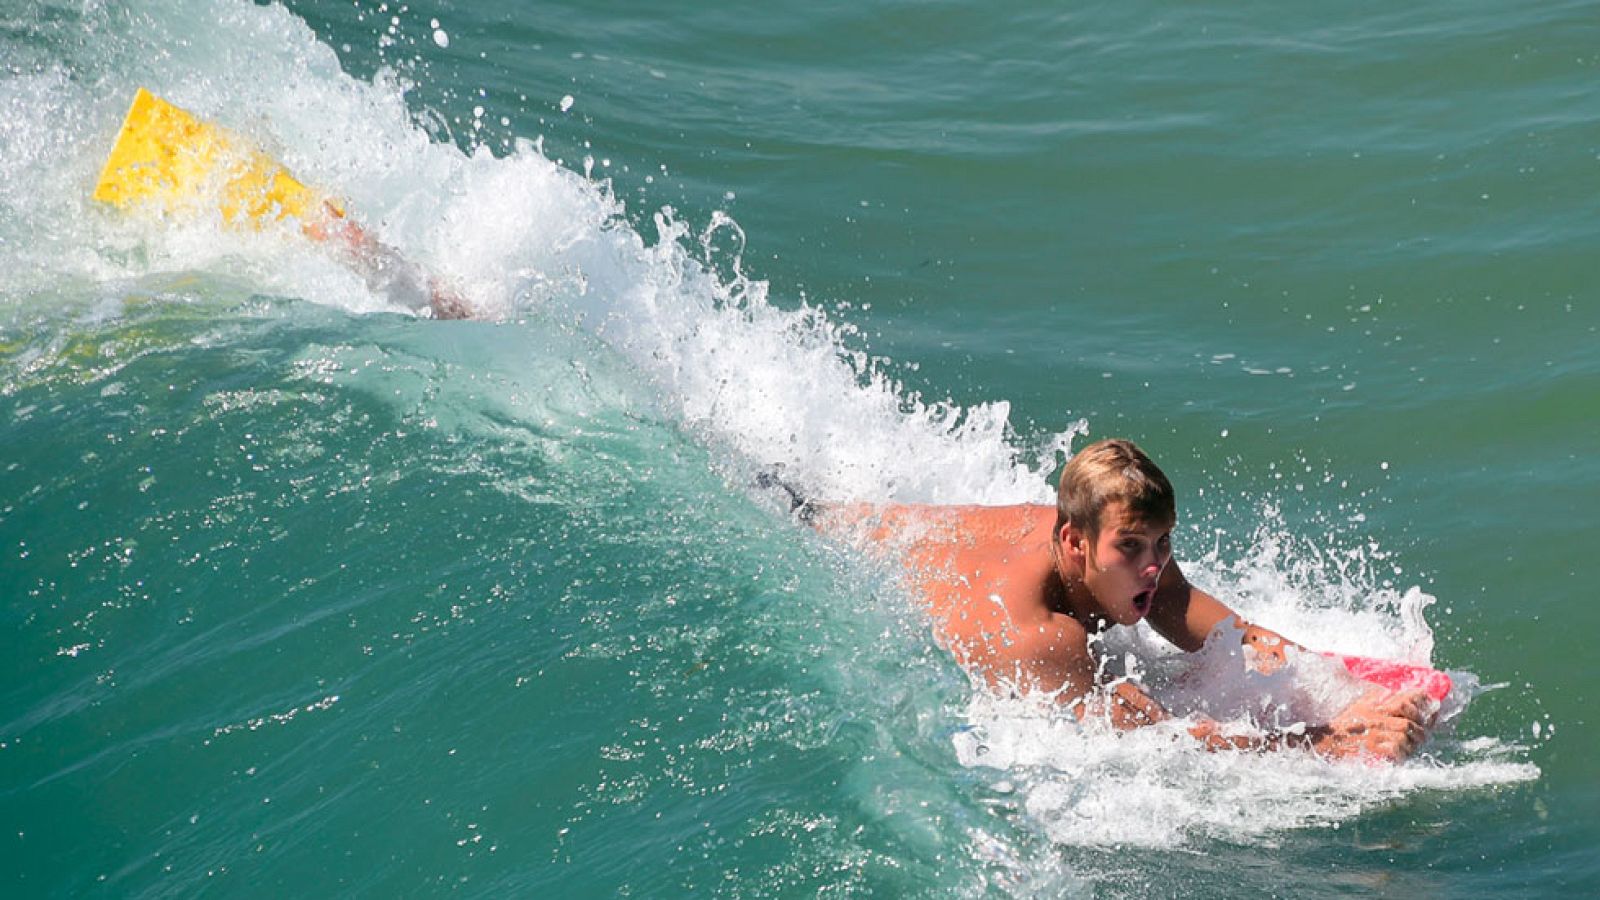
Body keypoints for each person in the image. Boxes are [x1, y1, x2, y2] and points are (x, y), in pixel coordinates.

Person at [800, 438, 1434, 762]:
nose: (1154, 565)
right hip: (822, 543)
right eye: (1132, 546)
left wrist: (1344, 685)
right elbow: (1163, 740)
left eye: (1163, 542)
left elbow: (1217, 626)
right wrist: (1321, 740)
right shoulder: (1041, 633)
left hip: (851, 519)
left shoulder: (1122, 552)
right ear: (1075, 542)